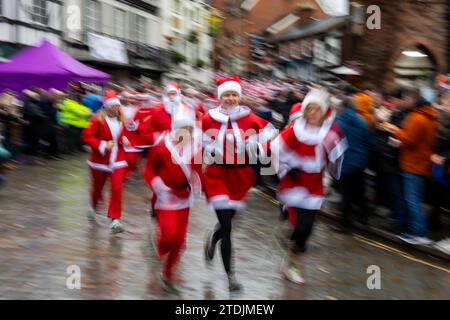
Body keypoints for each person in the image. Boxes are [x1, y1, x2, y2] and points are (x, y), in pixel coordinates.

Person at [202, 76, 276, 292]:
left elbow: (270, 133)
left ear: (239, 96)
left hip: (240, 177)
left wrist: (258, 148)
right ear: (220, 97)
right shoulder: (209, 118)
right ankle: (231, 275)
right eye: (227, 95)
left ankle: (212, 239)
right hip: (217, 175)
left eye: (234, 94)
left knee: (226, 224)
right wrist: (208, 149)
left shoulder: (250, 118)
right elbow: (198, 138)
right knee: (227, 227)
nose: (231, 98)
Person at [271, 88, 347, 284]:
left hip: (314, 186)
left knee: (306, 230)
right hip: (294, 183)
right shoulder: (295, 131)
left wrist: (334, 175)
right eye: (309, 109)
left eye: (317, 110)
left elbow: (335, 157)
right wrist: (286, 169)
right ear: (304, 111)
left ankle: (291, 256)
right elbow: (275, 152)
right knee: (301, 227)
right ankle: (293, 263)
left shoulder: (329, 133)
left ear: (324, 112)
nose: (313, 113)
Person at [143, 105, 203, 294]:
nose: (187, 132)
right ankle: (159, 243)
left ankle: (168, 275)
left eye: (190, 129)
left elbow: (199, 172)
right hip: (166, 198)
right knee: (169, 236)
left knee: (180, 242)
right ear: (176, 128)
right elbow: (149, 170)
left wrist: (197, 183)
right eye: (183, 128)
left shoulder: (196, 149)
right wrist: (157, 185)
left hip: (185, 199)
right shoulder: (162, 147)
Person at [381, 88, 438, 245]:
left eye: (406, 99)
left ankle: (418, 233)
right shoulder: (429, 116)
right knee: (415, 199)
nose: (404, 102)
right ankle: (417, 231)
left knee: (413, 200)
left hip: (412, 164)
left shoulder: (417, 117)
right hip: (420, 163)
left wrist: (395, 130)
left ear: (413, 100)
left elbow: (409, 140)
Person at [82, 94, 128, 233]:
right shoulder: (97, 120)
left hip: (118, 159)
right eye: (115, 105)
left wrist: (124, 139)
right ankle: (93, 206)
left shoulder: (122, 120)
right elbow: (86, 136)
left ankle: (115, 220)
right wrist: (102, 144)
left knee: (117, 188)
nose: (118, 108)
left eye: (119, 105)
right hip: (100, 161)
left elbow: (123, 136)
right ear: (108, 107)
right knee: (97, 189)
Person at [332, 97, 373, 233]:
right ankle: (364, 221)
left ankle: (345, 225)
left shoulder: (338, 123)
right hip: (360, 163)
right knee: (360, 193)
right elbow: (368, 142)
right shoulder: (362, 121)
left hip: (345, 164)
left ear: (342, 107)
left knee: (346, 195)